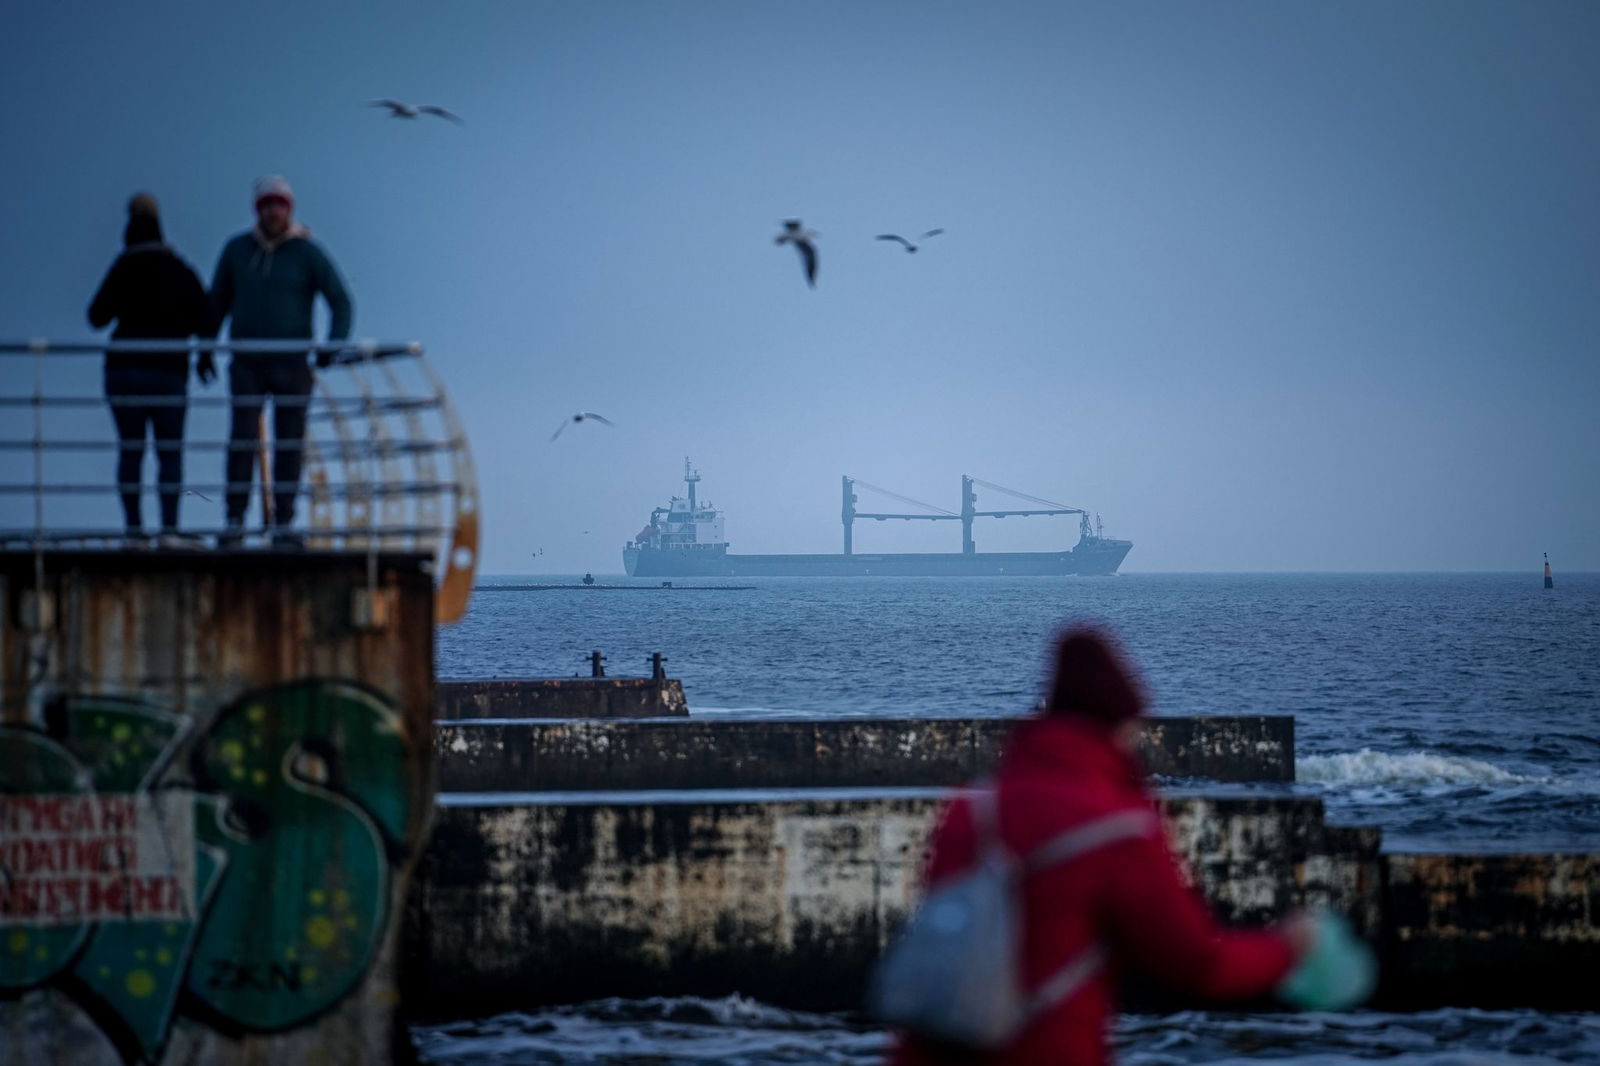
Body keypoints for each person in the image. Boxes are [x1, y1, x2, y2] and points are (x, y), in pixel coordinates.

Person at [890, 626, 1316, 1066]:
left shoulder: (970, 812)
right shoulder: (1117, 827)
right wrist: (1288, 948)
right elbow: (1194, 962)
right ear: (1117, 725)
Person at [210, 175, 352, 547]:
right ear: (258, 210)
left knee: (289, 443)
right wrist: (205, 348)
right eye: (266, 204)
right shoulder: (238, 251)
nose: (273, 211)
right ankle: (234, 520)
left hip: (293, 364)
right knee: (241, 439)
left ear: (289, 209)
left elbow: (341, 300)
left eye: (279, 204)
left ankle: (284, 523)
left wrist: (331, 345)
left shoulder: (307, 253)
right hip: (246, 364)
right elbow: (216, 303)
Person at [86, 192, 216, 544]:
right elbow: (206, 317)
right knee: (169, 453)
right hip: (168, 371)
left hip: (124, 370)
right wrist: (204, 355)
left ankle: (133, 531)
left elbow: (96, 317)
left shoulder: (123, 267)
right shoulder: (179, 268)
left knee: (131, 449)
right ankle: (170, 530)